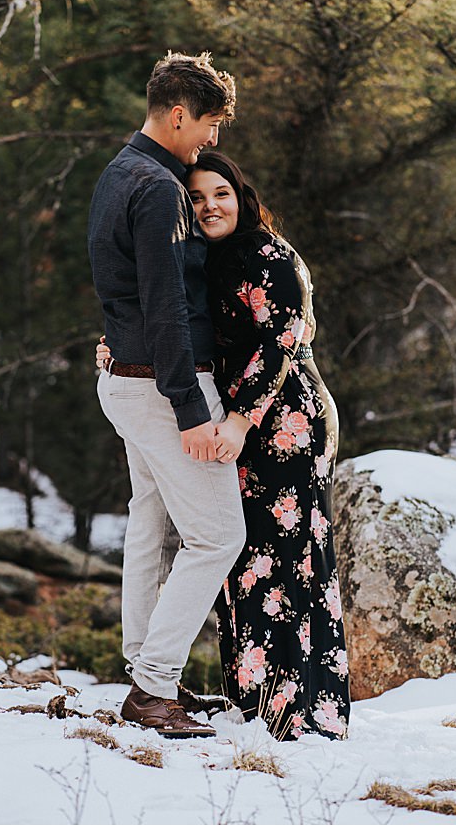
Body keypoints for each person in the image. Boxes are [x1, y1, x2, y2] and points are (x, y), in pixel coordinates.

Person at [97, 151, 351, 741]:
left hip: (282, 421)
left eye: (222, 194)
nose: (210, 206)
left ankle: (302, 708)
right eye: (198, 198)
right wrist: (119, 344)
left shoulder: (271, 258)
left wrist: (238, 420)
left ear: (243, 197)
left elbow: (277, 347)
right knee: (243, 559)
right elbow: (166, 312)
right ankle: (254, 696)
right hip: (233, 421)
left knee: (286, 558)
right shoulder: (205, 256)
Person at [88, 53, 247, 739]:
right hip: (161, 387)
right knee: (218, 537)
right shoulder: (157, 186)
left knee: (149, 524)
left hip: (126, 380)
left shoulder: (118, 172)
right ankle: (152, 689)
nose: (210, 140)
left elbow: (121, 290)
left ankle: (146, 670)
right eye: (208, 125)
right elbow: (165, 307)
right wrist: (190, 409)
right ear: (179, 114)